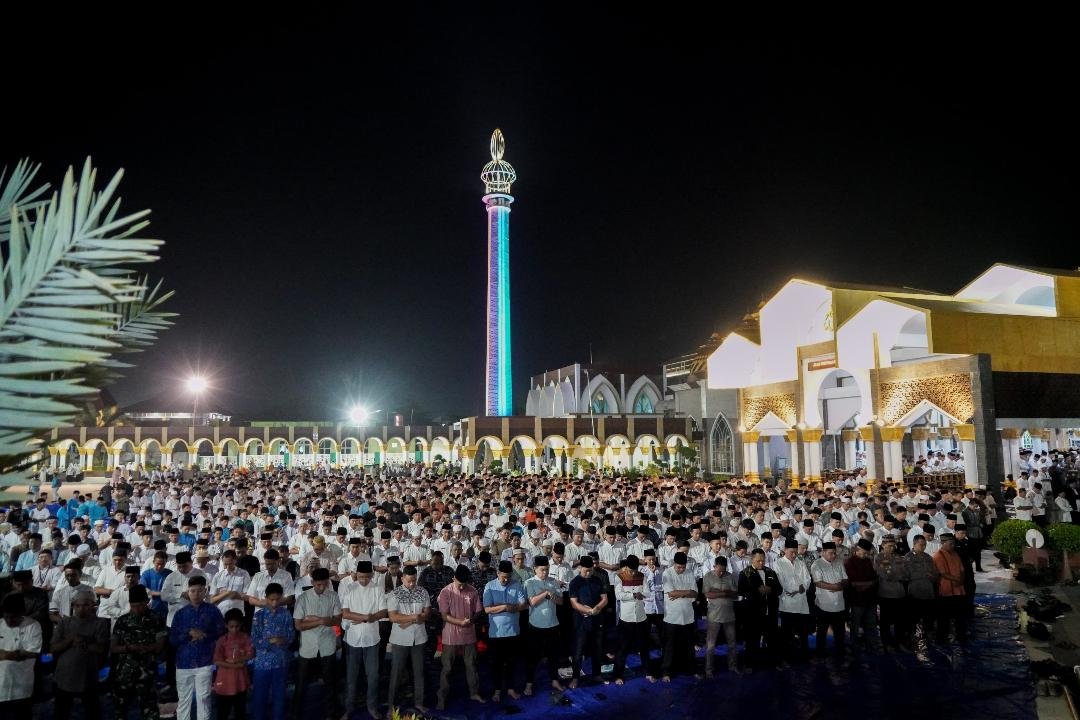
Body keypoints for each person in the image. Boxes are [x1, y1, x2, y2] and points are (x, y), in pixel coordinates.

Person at [169, 575, 226, 720]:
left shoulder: (213, 611)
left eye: (200, 591)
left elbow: (221, 633)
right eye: (192, 591)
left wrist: (204, 635)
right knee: (184, 700)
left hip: (205, 661)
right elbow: (172, 639)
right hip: (183, 662)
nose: (196, 594)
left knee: (204, 698)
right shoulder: (180, 614)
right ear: (187, 592)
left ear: (205, 591)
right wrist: (188, 633)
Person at [51, 585, 110, 720]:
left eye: (85, 605)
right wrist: (70, 640)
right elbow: (53, 648)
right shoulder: (65, 622)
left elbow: (101, 648)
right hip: (65, 673)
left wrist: (83, 642)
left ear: (92, 606)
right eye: (77, 606)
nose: (81, 609)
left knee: (92, 711)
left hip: (88, 674)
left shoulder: (99, 623)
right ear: (73, 606)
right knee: (61, 711)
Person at [292, 567, 342, 719]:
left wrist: (313, 619)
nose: (321, 587)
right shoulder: (303, 598)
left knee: (330, 682)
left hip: (327, 644)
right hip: (308, 646)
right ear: (312, 582)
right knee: (301, 683)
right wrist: (321, 621)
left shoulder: (333, 596)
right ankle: (296, 714)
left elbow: (337, 620)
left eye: (324, 584)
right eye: (318, 584)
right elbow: (298, 625)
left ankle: (331, 714)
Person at [111, 584, 167, 720]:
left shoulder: (156, 619)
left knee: (150, 709)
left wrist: (146, 648)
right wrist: (129, 648)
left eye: (140, 605)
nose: (136, 609)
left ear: (146, 602)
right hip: (125, 672)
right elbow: (113, 647)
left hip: (147, 671)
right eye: (133, 606)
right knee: (120, 709)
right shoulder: (122, 621)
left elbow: (160, 645)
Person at [341, 561, 388, 720]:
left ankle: (372, 707)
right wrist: (365, 617)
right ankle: (348, 708)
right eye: (361, 577)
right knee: (351, 677)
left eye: (367, 577)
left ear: (372, 575)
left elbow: (383, 611)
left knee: (373, 676)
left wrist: (371, 617)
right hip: (353, 639)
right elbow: (345, 613)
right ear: (356, 574)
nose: (364, 580)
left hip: (372, 639)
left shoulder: (377, 589)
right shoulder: (350, 588)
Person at [436, 563, 484, 710]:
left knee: (471, 665)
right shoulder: (445, 592)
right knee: (447, 668)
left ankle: (474, 693)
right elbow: (444, 616)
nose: (462, 587)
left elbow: (478, 611)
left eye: (464, 584)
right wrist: (460, 622)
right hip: (450, 635)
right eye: (459, 584)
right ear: (453, 578)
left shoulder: (473, 591)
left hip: (469, 634)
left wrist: (472, 620)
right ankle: (442, 698)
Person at [387, 564, 430, 714]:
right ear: (402, 578)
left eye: (414, 580)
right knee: (396, 673)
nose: (412, 584)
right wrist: (414, 617)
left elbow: (427, 613)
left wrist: (408, 619)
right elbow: (393, 617)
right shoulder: (394, 594)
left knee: (419, 672)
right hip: (400, 639)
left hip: (419, 638)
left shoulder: (422, 592)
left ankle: (419, 703)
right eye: (409, 581)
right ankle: (391, 706)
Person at [483, 559, 527, 701]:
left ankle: (510, 689)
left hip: (513, 631)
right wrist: (504, 607)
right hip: (496, 633)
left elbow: (523, 604)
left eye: (508, 577)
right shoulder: (490, 586)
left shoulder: (516, 584)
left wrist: (513, 607)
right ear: (498, 573)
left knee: (511, 662)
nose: (506, 580)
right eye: (503, 577)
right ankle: (497, 690)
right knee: (496, 663)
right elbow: (487, 609)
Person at [524, 554, 568, 691]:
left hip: (552, 624)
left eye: (547, 569)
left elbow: (561, 601)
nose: (545, 572)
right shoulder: (529, 582)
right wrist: (545, 593)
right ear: (535, 569)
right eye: (542, 570)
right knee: (532, 656)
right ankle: (529, 683)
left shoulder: (553, 581)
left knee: (553, 655)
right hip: (536, 625)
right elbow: (532, 602)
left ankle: (554, 680)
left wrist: (552, 596)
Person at [250, 583, 294, 720]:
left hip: (281, 662)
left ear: (281, 598)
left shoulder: (286, 614)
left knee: (279, 696)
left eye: (277, 599)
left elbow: (292, 636)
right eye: (271, 599)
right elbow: (254, 639)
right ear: (266, 597)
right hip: (262, 663)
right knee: (259, 697)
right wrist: (272, 641)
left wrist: (283, 639)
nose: (274, 603)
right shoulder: (259, 616)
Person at [737, 548, 782, 670]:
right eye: (758, 561)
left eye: (763, 560)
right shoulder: (745, 573)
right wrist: (757, 591)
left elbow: (779, 589)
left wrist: (770, 590)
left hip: (770, 611)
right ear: (752, 559)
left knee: (772, 639)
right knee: (752, 640)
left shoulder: (771, 572)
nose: (761, 563)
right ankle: (749, 664)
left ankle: (773, 663)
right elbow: (741, 590)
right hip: (753, 613)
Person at [567, 555, 607, 687]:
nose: (589, 572)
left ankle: (597, 674)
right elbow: (574, 603)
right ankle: (575, 677)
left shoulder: (597, 580)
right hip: (581, 621)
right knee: (578, 650)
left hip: (597, 619)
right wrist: (587, 611)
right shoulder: (575, 582)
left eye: (591, 570)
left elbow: (604, 599)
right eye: (586, 570)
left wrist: (597, 608)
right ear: (580, 568)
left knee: (598, 648)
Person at [612, 554, 652, 684]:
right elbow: (618, 595)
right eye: (630, 570)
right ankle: (618, 675)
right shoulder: (619, 577)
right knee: (622, 648)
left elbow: (648, 592)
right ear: (626, 567)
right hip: (626, 618)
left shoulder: (642, 576)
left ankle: (648, 672)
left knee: (644, 647)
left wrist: (642, 594)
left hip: (641, 617)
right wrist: (634, 595)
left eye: (635, 570)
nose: (633, 573)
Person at [0, 593, 42, 715]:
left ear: (22, 613)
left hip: (22, 684)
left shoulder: (33, 625)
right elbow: (21, 654)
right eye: (6, 617)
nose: (9, 621)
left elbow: (33, 653)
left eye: (13, 617)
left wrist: (4, 655)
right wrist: (15, 654)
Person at [661, 551, 699, 681]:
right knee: (669, 646)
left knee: (689, 646)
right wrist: (687, 592)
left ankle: (692, 669)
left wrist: (682, 593)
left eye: (683, 567)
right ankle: (666, 672)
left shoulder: (689, 573)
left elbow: (695, 593)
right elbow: (671, 593)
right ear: (674, 564)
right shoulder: (667, 573)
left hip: (688, 615)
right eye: (678, 567)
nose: (681, 569)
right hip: (672, 616)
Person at [773, 538, 812, 663]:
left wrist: (802, 588)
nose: (794, 555)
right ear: (785, 550)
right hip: (787, 603)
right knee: (787, 633)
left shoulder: (800, 562)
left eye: (796, 552)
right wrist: (796, 589)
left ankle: (804, 657)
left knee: (803, 632)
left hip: (802, 603)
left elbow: (807, 579)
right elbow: (782, 582)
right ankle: (786, 658)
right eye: (792, 552)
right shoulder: (778, 563)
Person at [213, 608, 253, 720]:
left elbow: (251, 654)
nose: (234, 629)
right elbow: (217, 660)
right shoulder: (222, 640)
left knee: (240, 711)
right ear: (226, 625)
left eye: (237, 626)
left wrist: (237, 659)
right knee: (222, 713)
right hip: (225, 681)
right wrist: (235, 665)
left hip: (240, 681)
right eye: (231, 627)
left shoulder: (245, 638)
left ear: (241, 624)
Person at [703, 555, 740, 676]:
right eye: (719, 571)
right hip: (714, 615)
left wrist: (717, 592)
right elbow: (708, 594)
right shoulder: (708, 576)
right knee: (711, 645)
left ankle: (733, 666)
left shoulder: (730, 576)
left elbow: (735, 594)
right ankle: (708, 670)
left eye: (723, 571)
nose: (721, 573)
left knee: (732, 643)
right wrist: (725, 593)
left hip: (729, 615)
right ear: (714, 567)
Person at [811, 541, 848, 660]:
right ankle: (820, 653)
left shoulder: (839, 562)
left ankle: (840, 652)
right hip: (824, 604)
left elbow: (845, 579)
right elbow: (817, 582)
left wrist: (841, 585)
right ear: (823, 552)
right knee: (822, 631)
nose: (833, 555)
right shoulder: (817, 564)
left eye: (834, 553)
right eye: (831, 553)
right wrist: (834, 587)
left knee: (840, 631)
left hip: (839, 603)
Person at [844, 539, 880, 652]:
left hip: (870, 599)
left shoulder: (868, 561)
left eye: (866, 553)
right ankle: (855, 647)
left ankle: (872, 646)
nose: (865, 555)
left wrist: (866, 584)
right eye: (863, 553)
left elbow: (874, 579)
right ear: (857, 550)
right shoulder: (850, 562)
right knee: (855, 625)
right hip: (857, 600)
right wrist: (868, 583)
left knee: (871, 625)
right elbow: (854, 582)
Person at [933, 534, 967, 643]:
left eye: (953, 543)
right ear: (943, 543)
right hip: (946, 591)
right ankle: (942, 638)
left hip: (959, 591)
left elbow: (962, 570)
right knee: (944, 618)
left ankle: (961, 636)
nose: (953, 546)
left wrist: (961, 579)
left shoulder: (955, 554)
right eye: (950, 544)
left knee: (960, 616)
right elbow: (943, 573)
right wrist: (957, 580)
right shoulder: (938, 556)